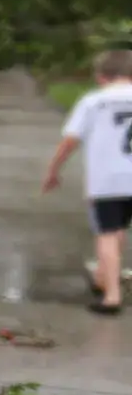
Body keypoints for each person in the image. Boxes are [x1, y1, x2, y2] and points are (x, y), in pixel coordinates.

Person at [43, 49, 132, 315]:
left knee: (107, 232)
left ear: (102, 77)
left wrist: (53, 170)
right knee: (119, 230)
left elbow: (70, 140)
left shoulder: (94, 101)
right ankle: (102, 278)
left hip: (108, 180)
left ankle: (112, 295)